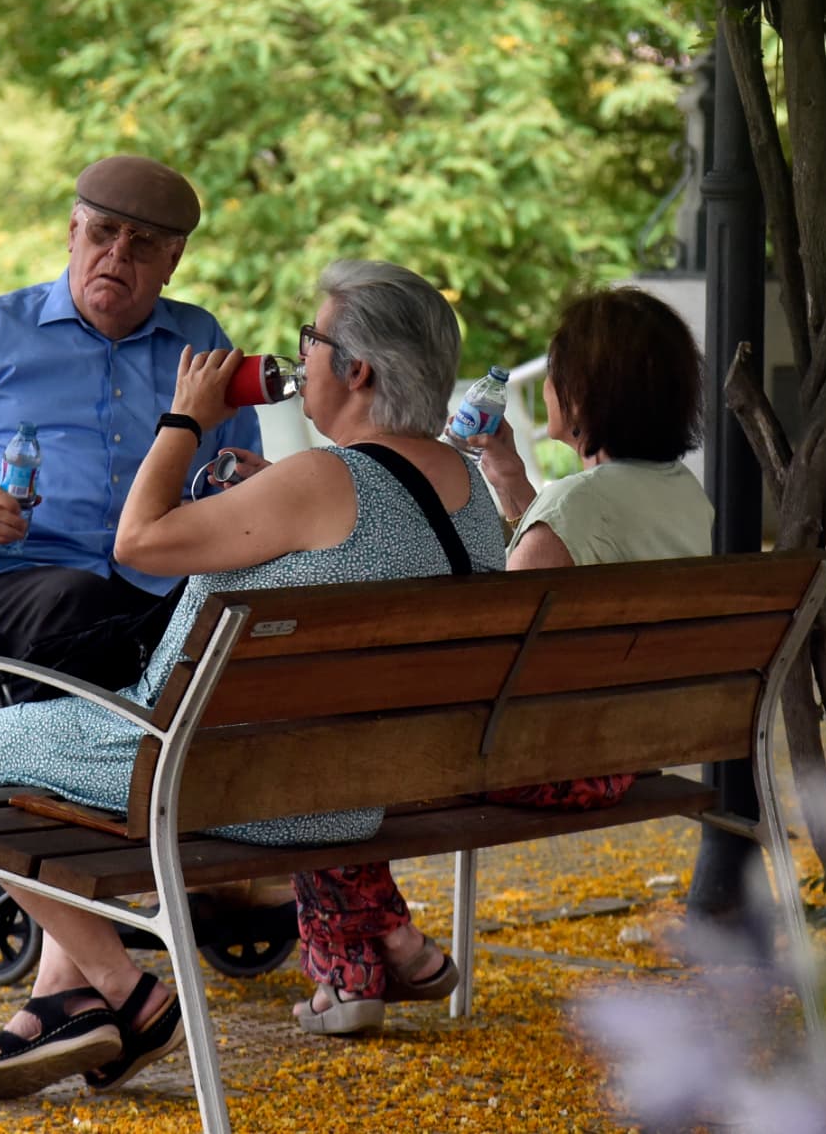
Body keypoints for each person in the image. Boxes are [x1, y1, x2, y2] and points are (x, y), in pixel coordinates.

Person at [0, 260, 506, 1101]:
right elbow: (343, 539)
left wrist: (184, 418)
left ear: (359, 371)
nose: (298, 354)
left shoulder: (320, 477)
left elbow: (137, 541)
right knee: (31, 747)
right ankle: (66, 993)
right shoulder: (470, 494)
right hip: (370, 787)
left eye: (313, 339)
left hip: (203, 773)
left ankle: (125, 992)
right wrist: (255, 493)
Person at [291, 284, 712, 1036]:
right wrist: (514, 486)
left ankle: (363, 961)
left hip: (549, 765)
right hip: (638, 747)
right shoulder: (688, 499)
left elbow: (496, 664)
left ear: (580, 393)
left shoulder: (574, 512)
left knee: (323, 756)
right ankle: (386, 946)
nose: (542, 384)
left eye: (554, 369)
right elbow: (571, 557)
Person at [0, 155, 263, 695]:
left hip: (161, 582)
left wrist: (249, 485)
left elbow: (235, 480)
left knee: (258, 614)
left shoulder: (201, 342)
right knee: (86, 607)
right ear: (74, 232)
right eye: (103, 231)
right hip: (3, 577)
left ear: (173, 259)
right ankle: (76, 770)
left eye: (142, 242)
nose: (117, 253)